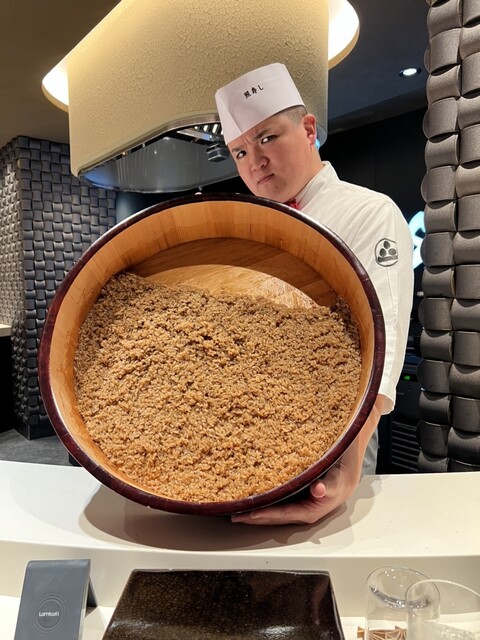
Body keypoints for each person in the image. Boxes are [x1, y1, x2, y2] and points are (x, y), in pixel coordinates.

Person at [215, 62, 414, 526]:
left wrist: (349, 462)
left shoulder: (369, 212)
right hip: (249, 430)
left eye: (267, 138)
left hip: (337, 434)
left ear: (308, 131)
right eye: (240, 152)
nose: (255, 162)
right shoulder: (249, 230)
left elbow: (385, 338)